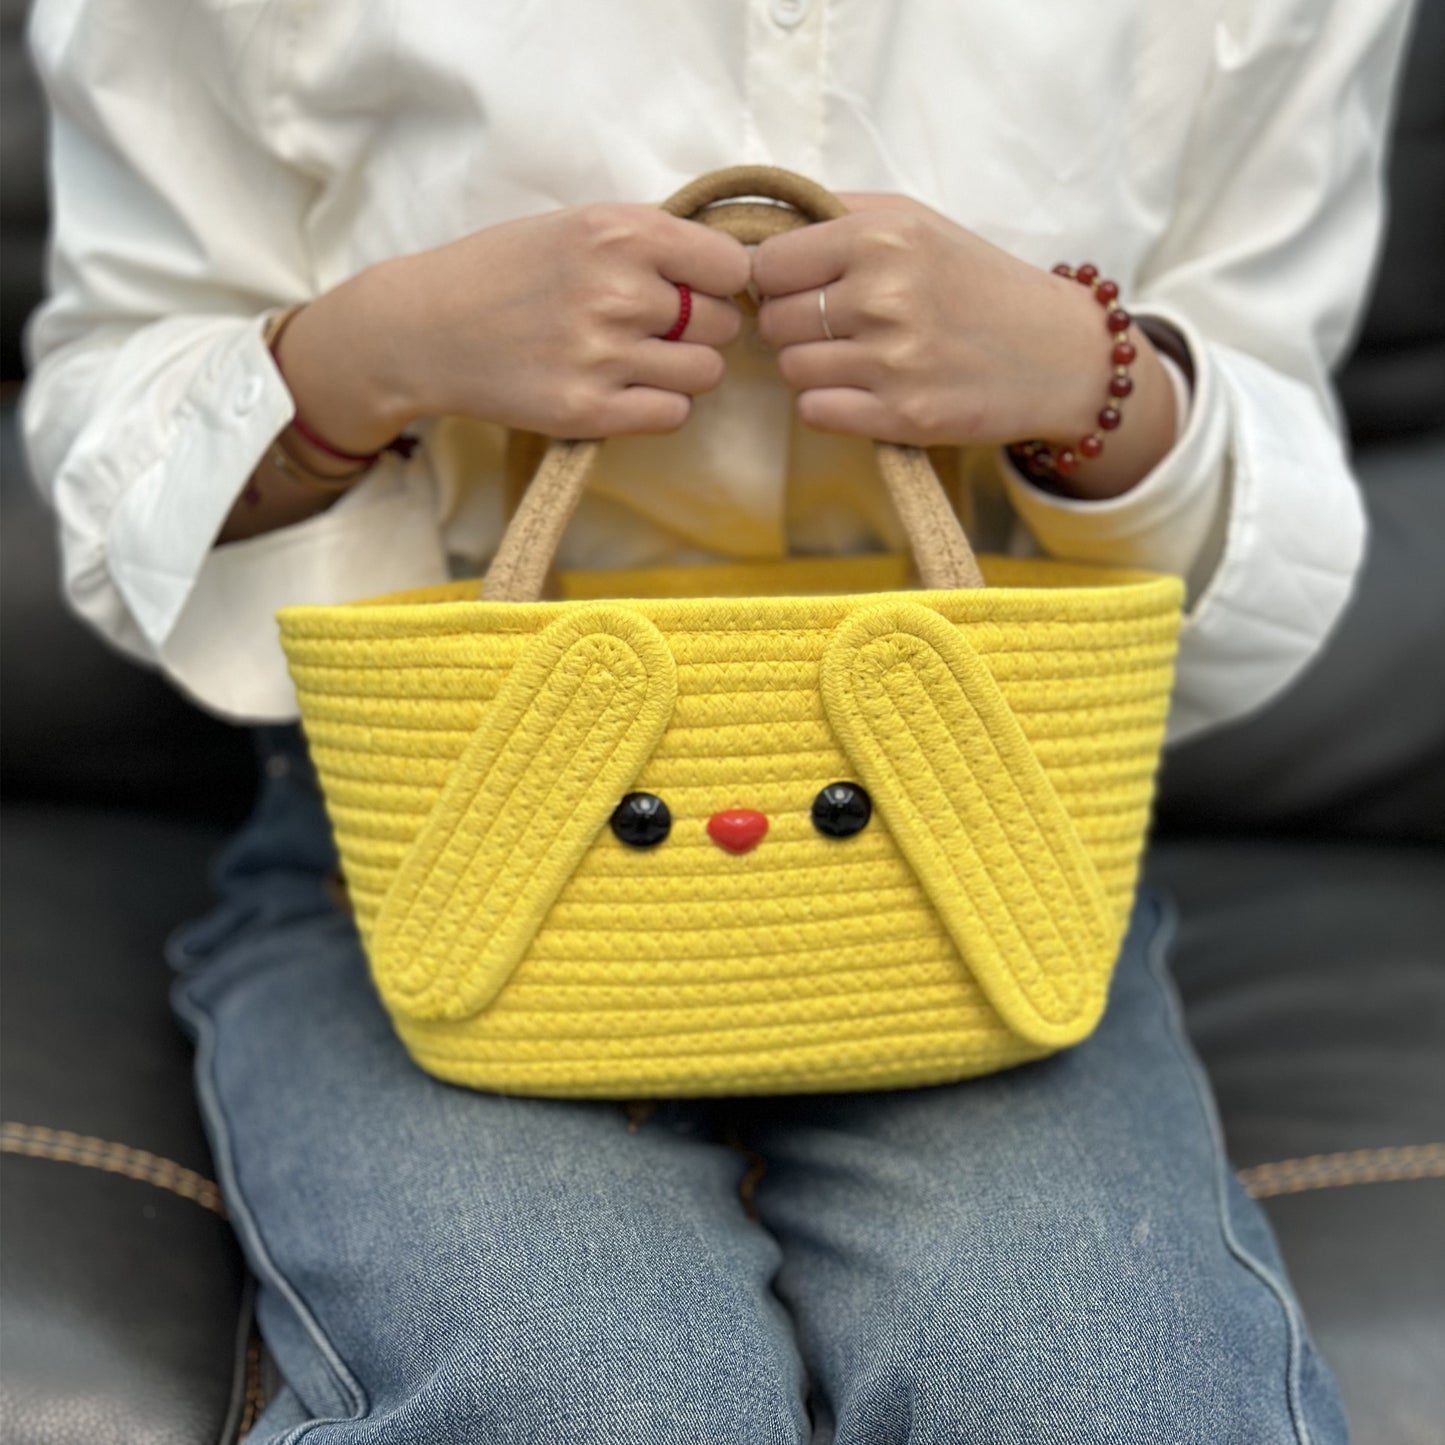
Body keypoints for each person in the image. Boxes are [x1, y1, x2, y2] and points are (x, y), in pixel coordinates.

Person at [20, 1, 1415, 1440]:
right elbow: (113, 433)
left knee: (1098, 1392)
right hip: (426, 827)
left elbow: (1272, 457)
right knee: (583, 1400)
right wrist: (373, 354)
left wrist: (1079, 370)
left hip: (980, 835)